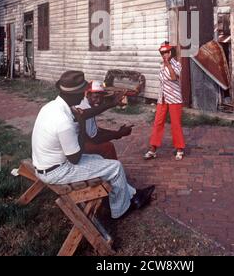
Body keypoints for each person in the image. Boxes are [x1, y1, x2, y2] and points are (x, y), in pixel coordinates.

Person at [32, 71, 155, 219]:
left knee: (100, 160)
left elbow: (85, 113)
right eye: (82, 92)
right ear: (75, 94)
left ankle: (134, 195)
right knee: (115, 168)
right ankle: (120, 211)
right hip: (56, 172)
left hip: (44, 165)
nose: (83, 95)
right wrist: (82, 127)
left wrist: (111, 104)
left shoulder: (53, 106)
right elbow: (75, 158)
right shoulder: (64, 121)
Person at [144, 42, 185, 161]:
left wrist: (168, 63)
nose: (164, 55)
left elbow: (173, 77)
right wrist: (164, 64)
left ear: (170, 52)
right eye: (162, 53)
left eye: (166, 52)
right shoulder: (161, 65)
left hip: (174, 98)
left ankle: (179, 148)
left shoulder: (177, 64)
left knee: (175, 124)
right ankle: (153, 149)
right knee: (158, 122)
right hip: (162, 98)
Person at [76, 80, 133, 160]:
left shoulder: (85, 104)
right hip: (76, 147)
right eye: (95, 97)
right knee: (107, 147)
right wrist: (119, 134)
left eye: (101, 97)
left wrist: (116, 132)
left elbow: (96, 130)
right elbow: (95, 139)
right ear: (87, 95)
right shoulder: (85, 108)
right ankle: (113, 170)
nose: (98, 100)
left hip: (77, 140)